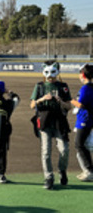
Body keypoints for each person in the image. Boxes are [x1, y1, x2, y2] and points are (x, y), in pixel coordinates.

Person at [30, 60, 72, 190]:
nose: (50, 76)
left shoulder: (63, 86)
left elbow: (69, 106)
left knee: (64, 150)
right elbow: (32, 105)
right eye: (47, 73)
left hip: (60, 121)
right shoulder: (40, 86)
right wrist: (42, 99)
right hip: (45, 121)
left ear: (57, 72)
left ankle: (62, 170)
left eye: (53, 73)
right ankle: (48, 177)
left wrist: (60, 101)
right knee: (46, 152)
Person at [71, 63, 93, 182]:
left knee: (79, 144)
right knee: (82, 145)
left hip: (84, 120)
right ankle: (88, 170)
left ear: (83, 75)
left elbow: (81, 104)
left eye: (80, 73)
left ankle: (89, 170)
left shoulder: (86, 88)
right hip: (86, 119)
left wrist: (69, 99)